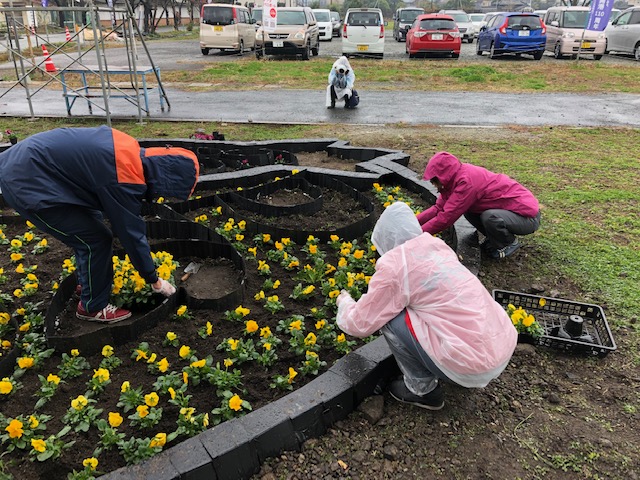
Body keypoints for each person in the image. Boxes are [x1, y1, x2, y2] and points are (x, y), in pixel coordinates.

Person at [0, 126, 200, 323]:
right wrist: (154, 281)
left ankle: (90, 285)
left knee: (91, 225)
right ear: (164, 181)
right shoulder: (126, 178)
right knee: (94, 240)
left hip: (29, 164)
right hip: (27, 183)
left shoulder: (129, 148)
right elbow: (131, 234)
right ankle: (92, 307)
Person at [336, 202, 517, 410]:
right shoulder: (437, 248)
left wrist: (345, 303)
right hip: (502, 345)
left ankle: (423, 390)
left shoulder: (396, 266)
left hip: (471, 365)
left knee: (390, 318)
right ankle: (463, 365)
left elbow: (359, 323)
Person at [416, 151, 541, 259]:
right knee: (470, 211)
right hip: (510, 213)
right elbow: (438, 209)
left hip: (527, 218)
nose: (433, 185)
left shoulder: (466, 182)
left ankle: (508, 243)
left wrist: (417, 235)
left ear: (442, 176)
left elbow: (446, 218)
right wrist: (413, 223)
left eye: (434, 181)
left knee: (490, 217)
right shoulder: (453, 180)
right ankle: (494, 239)